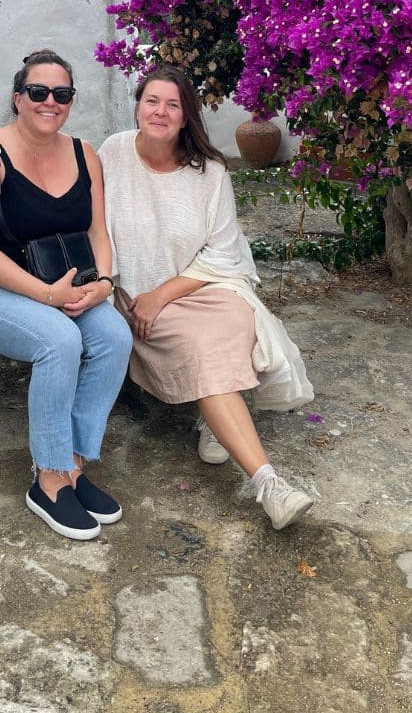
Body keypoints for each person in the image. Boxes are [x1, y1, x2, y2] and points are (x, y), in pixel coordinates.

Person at [98, 65, 316, 531]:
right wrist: (123, 291)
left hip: (204, 285)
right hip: (136, 294)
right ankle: (269, 484)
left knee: (235, 327)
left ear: (186, 116)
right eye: (152, 100)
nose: (160, 111)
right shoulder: (112, 153)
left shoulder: (210, 173)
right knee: (201, 350)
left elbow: (222, 252)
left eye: (172, 104)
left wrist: (163, 294)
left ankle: (216, 420)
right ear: (138, 106)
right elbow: (96, 227)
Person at [0, 49, 132, 541]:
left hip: (63, 286)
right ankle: (47, 480)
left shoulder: (83, 153)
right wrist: (47, 297)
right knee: (60, 341)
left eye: (62, 94)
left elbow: (98, 233)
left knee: (114, 336)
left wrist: (104, 284)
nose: (50, 102)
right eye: (39, 92)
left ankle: (72, 464)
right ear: (18, 98)